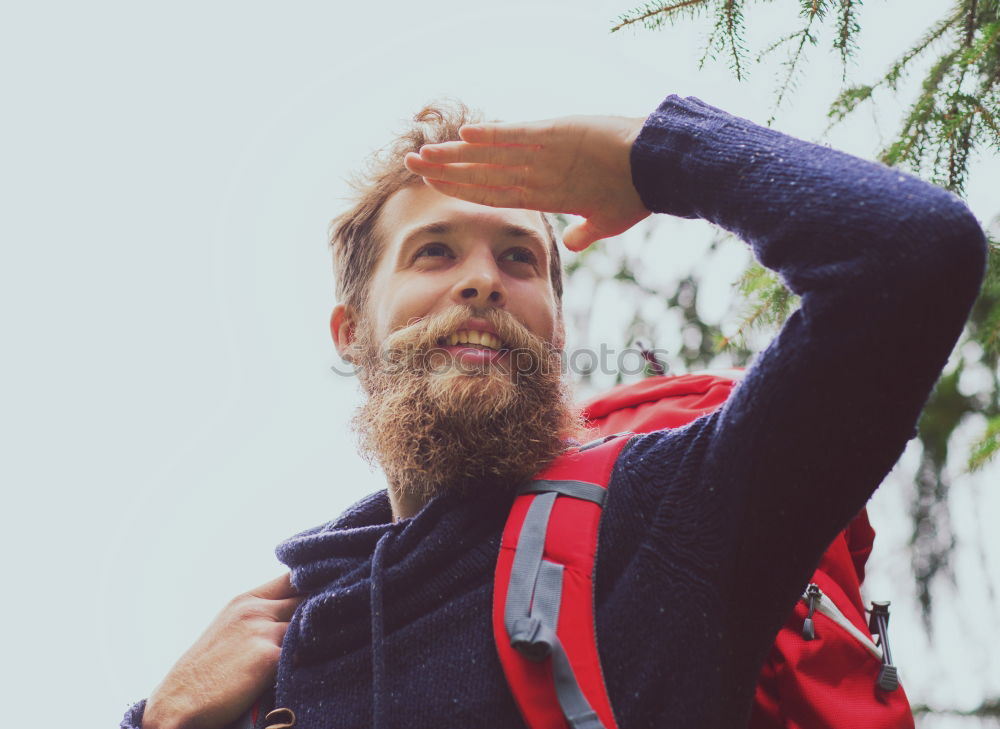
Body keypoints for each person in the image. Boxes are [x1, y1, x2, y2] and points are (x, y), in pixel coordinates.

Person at [124, 94, 986, 729]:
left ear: (557, 331)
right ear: (351, 332)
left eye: (518, 258)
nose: (481, 280)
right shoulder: (272, 661)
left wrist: (655, 154)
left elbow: (912, 252)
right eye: (434, 251)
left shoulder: (666, 518)